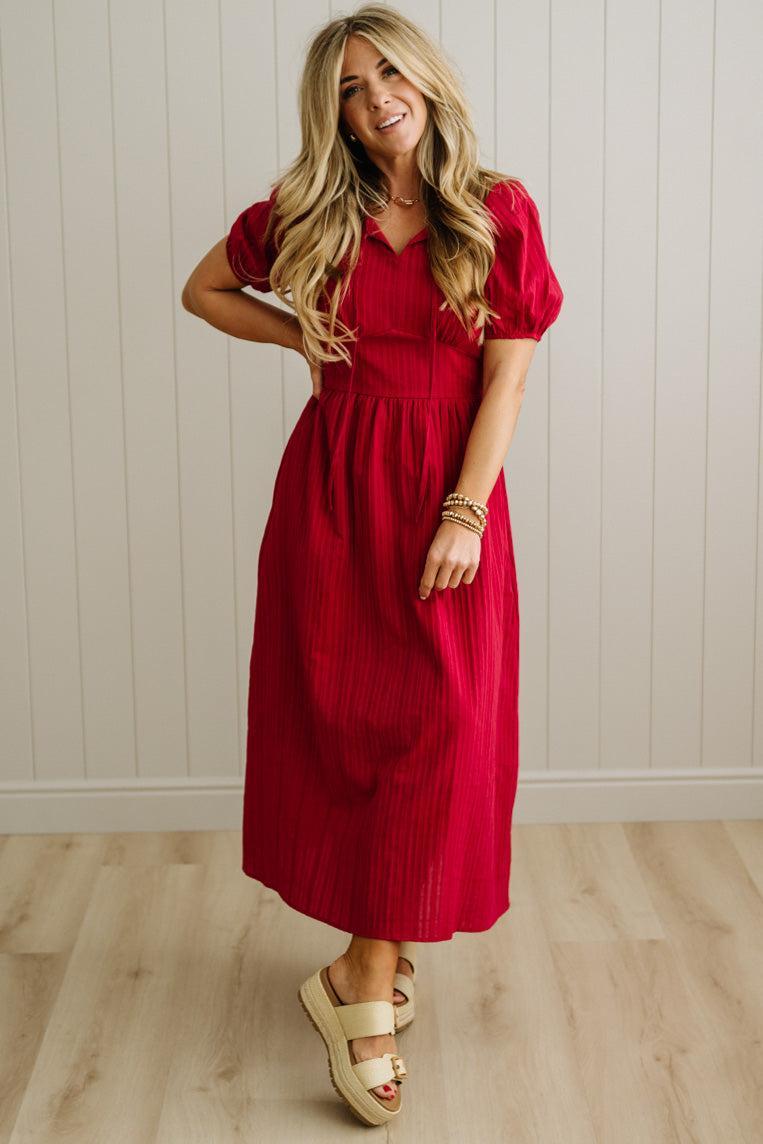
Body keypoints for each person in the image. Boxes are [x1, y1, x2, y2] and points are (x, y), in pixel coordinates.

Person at [181, 3, 563, 1127]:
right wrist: (301, 335)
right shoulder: (309, 210)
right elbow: (204, 290)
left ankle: (360, 969)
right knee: (348, 727)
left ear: (426, 80)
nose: (375, 97)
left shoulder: (496, 209)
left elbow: (507, 378)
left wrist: (464, 510)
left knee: (441, 730)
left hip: (445, 493)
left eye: (388, 71)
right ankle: (366, 977)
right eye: (349, 87)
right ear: (333, 113)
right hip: (334, 496)